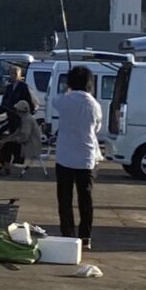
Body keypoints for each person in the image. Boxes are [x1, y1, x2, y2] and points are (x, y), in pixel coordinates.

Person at [51, 64, 103, 249]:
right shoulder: (94, 104)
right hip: (86, 157)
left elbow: (55, 101)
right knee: (85, 198)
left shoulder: (64, 100)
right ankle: (85, 237)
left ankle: (68, 234)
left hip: (64, 156)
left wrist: (67, 90)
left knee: (64, 198)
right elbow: (97, 128)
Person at [0, 66, 37, 173]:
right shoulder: (9, 88)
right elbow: (5, 103)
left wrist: (26, 115)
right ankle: (4, 164)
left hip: (20, 121)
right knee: (6, 141)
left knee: (11, 142)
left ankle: (5, 164)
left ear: (20, 75)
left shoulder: (24, 87)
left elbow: (33, 104)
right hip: (11, 119)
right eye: (11, 73)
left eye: (15, 73)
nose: (13, 75)